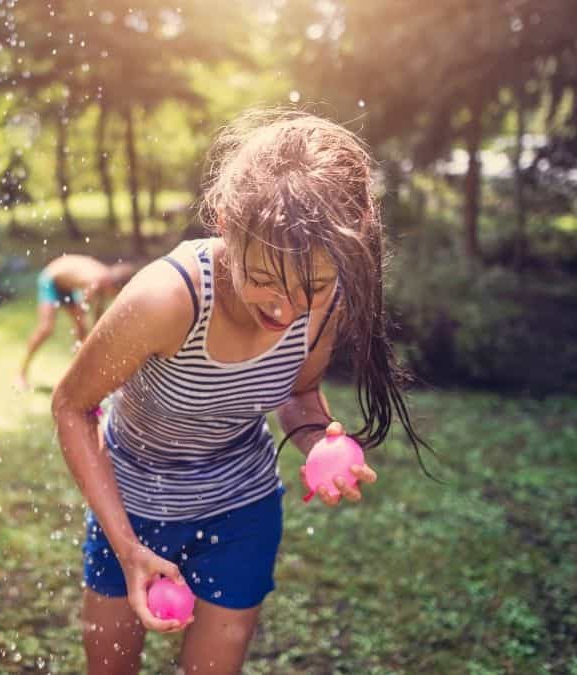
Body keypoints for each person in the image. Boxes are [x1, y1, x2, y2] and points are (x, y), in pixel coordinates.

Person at [51, 110, 429, 674]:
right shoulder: (165, 300)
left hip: (240, 506)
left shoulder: (328, 302)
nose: (288, 309)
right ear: (226, 222)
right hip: (131, 506)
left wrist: (321, 445)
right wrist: (126, 545)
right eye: (266, 280)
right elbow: (71, 406)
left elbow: (299, 396)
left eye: (314, 286)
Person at [17, 254, 135, 390]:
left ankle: (76, 378)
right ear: (112, 286)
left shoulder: (106, 280)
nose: (113, 297)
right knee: (46, 328)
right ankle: (21, 373)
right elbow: (83, 310)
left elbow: (98, 318)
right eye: (115, 294)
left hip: (68, 286)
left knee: (82, 332)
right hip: (51, 280)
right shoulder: (96, 281)